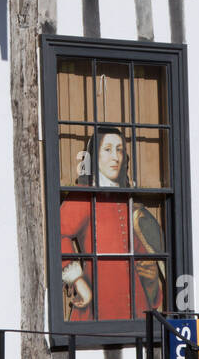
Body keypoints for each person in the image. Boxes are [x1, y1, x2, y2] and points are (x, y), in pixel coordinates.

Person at [60, 126, 165, 321]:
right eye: (107, 149)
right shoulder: (84, 194)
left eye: (119, 150)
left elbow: (143, 253)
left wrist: (150, 276)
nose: (115, 157)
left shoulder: (127, 200)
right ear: (95, 155)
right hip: (100, 305)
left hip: (137, 308)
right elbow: (58, 234)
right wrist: (78, 281)